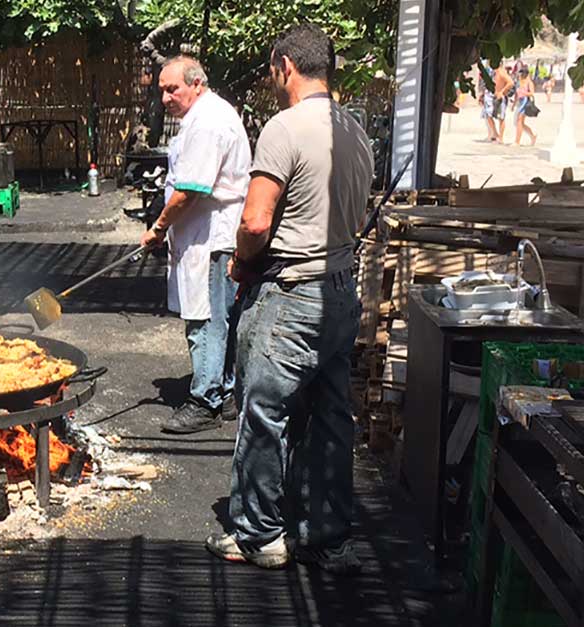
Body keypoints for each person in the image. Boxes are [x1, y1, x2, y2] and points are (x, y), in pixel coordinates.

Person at [206, 23, 373, 572]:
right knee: (330, 415)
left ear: (285, 67)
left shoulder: (283, 128)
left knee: (264, 413)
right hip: (341, 292)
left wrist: (241, 261)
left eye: (272, 72)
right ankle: (325, 536)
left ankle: (259, 535)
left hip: (291, 295)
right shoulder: (355, 130)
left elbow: (255, 220)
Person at [139, 55, 250, 435]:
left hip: (211, 236)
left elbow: (191, 190)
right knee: (219, 317)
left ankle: (205, 400)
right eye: (162, 91)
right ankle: (228, 392)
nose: (167, 97)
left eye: (173, 89)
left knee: (205, 319)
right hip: (203, 233)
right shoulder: (205, 116)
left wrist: (158, 228)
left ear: (196, 83)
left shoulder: (208, 122)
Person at [513, 68, 538, 146]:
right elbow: (516, 95)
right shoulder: (519, 82)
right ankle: (532, 135)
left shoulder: (529, 82)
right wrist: (514, 104)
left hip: (525, 101)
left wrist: (524, 92)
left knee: (519, 121)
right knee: (519, 123)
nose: (520, 75)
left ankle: (517, 141)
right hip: (520, 102)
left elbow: (532, 93)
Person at [493, 61, 514, 143]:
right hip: (497, 96)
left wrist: (502, 91)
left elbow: (511, 82)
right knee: (498, 117)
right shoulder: (497, 72)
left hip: (501, 97)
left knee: (501, 118)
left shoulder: (501, 72)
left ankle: (501, 138)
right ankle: (498, 136)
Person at [479, 63, 500, 142]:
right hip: (488, 93)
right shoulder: (490, 69)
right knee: (486, 115)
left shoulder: (492, 70)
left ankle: (494, 133)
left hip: (490, 94)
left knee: (488, 115)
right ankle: (491, 133)